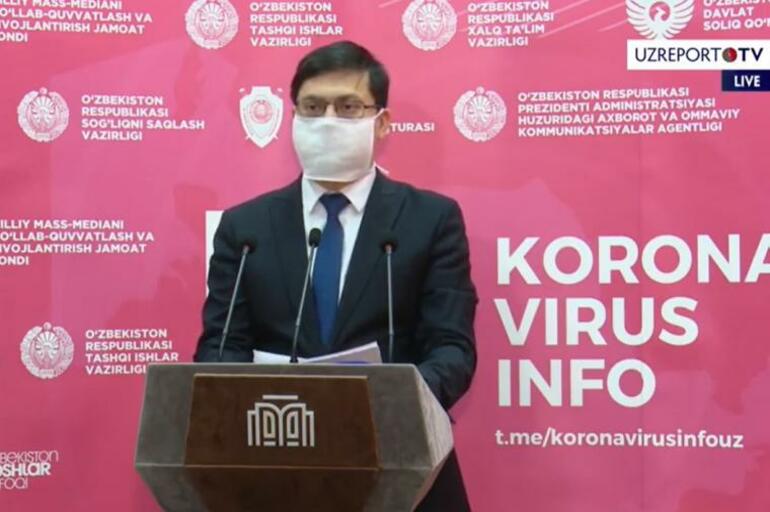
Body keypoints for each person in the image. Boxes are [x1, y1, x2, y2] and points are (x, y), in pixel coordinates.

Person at [194, 40, 477, 512]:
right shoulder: (245, 228)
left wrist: (393, 404)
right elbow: (220, 349)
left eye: (348, 107)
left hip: (403, 468)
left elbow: (452, 349)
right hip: (274, 468)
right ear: (293, 118)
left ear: (381, 122)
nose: (327, 121)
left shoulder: (430, 220)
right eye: (313, 107)